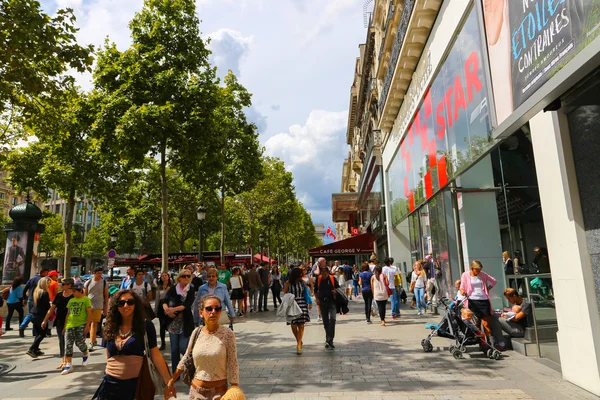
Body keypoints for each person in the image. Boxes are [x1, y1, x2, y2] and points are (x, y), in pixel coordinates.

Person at [93, 290, 171, 400]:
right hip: (109, 385)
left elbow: (156, 355)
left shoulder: (146, 326)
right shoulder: (110, 325)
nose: (126, 306)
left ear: (136, 304)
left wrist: (168, 382)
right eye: (121, 303)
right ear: (116, 306)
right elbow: (109, 353)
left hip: (135, 386)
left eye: (130, 302)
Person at [166, 295, 239, 400]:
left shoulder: (228, 334)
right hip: (196, 392)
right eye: (209, 309)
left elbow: (233, 363)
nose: (213, 312)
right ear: (201, 313)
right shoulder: (196, 332)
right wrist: (171, 381)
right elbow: (186, 358)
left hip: (219, 394)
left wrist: (234, 389)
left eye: (217, 308)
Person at [163, 269, 196, 373]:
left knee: (183, 348)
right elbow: (164, 301)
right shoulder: (173, 288)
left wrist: (173, 309)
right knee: (174, 350)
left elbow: (187, 305)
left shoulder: (190, 289)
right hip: (173, 323)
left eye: (188, 276)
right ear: (179, 278)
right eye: (184, 276)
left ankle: (189, 367)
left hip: (185, 323)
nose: (186, 278)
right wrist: (167, 310)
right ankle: (175, 373)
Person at [59, 282, 92, 375]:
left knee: (79, 343)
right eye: (72, 291)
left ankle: (85, 353)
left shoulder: (86, 300)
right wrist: (65, 326)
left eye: (75, 291)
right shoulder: (71, 301)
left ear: (80, 290)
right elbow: (68, 314)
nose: (73, 293)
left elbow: (89, 313)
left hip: (81, 324)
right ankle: (69, 365)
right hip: (70, 325)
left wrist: (87, 325)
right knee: (68, 345)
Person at [459, 260, 497, 340]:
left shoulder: (483, 274)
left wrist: (488, 288)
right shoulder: (465, 275)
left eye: (480, 269)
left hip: (483, 300)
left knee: (486, 324)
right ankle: (481, 342)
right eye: (477, 270)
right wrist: (462, 290)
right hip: (472, 301)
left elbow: (494, 281)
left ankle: (491, 343)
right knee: (476, 324)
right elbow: (462, 286)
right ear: (472, 268)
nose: (479, 271)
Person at [42, 278, 74, 369]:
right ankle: (64, 361)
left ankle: (68, 361)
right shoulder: (59, 296)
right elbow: (52, 309)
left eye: (63, 284)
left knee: (69, 342)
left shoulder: (74, 296)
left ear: (69, 285)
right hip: (60, 321)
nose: (61, 285)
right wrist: (45, 320)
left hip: (71, 321)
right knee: (62, 340)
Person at [283, 267, 311, 354]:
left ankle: (299, 344)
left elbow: (306, 292)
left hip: (302, 303)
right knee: (294, 324)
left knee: (301, 325)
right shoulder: (288, 283)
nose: (301, 277)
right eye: (300, 275)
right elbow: (285, 292)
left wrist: (309, 302)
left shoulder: (302, 282)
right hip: (292, 304)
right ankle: (299, 339)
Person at [84, 266, 109, 352]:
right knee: (90, 323)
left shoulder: (104, 283)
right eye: (98, 273)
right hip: (89, 306)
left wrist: (105, 308)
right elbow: (84, 296)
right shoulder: (88, 283)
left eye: (101, 273)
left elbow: (106, 297)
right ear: (93, 273)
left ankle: (91, 343)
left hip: (98, 306)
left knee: (94, 324)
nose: (100, 275)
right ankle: (93, 339)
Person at [26, 277, 51, 358]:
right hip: (40, 315)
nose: (49, 284)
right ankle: (32, 348)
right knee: (43, 333)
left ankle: (35, 350)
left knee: (38, 333)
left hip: (34, 314)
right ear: (44, 283)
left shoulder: (36, 291)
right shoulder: (44, 293)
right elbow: (46, 306)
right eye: (48, 283)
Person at [315, 266, 339, 349]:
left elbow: (338, 288)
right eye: (322, 273)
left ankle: (329, 339)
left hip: (332, 301)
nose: (324, 274)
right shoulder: (318, 279)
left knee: (333, 319)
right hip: (322, 302)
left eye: (325, 273)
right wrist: (317, 299)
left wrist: (335, 291)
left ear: (328, 272)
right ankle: (328, 339)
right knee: (325, 322)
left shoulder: (332, 278)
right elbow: (315, 290)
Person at [20, 268, 49, 337]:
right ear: (44, 273)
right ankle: (22, 327)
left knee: (33, 314)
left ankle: (34, 331)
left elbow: (25, 289)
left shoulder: (31, 279)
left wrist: (24, 298)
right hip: (38, 299)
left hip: (30, 299)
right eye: (47, 273)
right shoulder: (42, 280)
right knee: (32, 314)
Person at [155, 271, 173, 350]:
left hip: (170, 306)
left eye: (166, 275)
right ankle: (163, 343)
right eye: (162, 276)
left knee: (170, 325)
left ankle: (173, 342)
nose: (164, 277)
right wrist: (155, 311)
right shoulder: (159, 287)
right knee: (162, 326)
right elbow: (157, 299)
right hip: (161, 308)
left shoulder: (172, 286)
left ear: (168, 277)